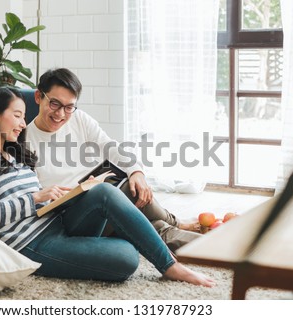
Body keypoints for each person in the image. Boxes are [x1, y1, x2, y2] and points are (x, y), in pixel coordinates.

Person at [0, 86, 214, 287]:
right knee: (127, 258)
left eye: (23, 117)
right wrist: (34, 198)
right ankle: (167, 238)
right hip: (32, 243)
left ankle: (169, 265)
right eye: (17, 116)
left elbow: (40, 202)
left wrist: (61, 197)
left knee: (104, 190)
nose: (23, 123)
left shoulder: (18, 153)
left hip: (56, 223)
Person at [26, 68, 202, 253]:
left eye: (69, 107)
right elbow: (35, 199)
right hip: (70, 217)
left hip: (102, 200)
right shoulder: (24, 142)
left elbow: (110, 147)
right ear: (39, 97)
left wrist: (136, 171)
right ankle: (178, 222)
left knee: (150, 217)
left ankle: (220, 247)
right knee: (126, 193)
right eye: (54, 104)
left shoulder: (78, 118)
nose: (61, 114)